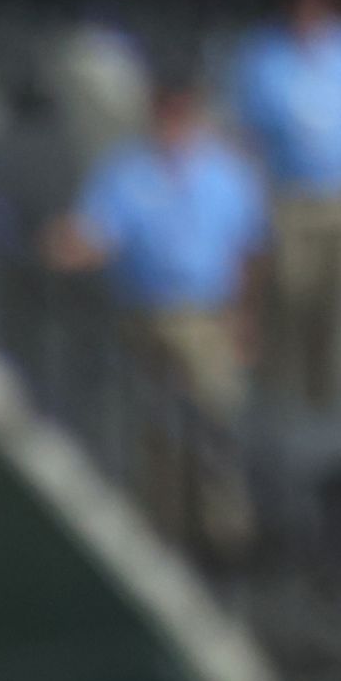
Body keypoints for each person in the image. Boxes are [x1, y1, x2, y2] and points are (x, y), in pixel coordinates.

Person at [44, 79, 269, 428]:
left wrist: (245, 319)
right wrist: (65, 247)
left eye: (181, 113)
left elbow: (246, 251)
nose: (173, 123)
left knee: (215, 423)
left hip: (207, 319)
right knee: (156, 430)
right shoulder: (125, 172)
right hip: (145, 319)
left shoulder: (226, 173)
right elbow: (97, 234)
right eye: (166, 112)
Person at [230, 0, 341, 415]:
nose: (310, 13)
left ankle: (338, 396)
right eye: (301, 2)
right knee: (292, 296)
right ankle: (293, 395)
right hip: (290, 198)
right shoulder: (263, 56)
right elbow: (249, 135)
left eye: (321, 3)